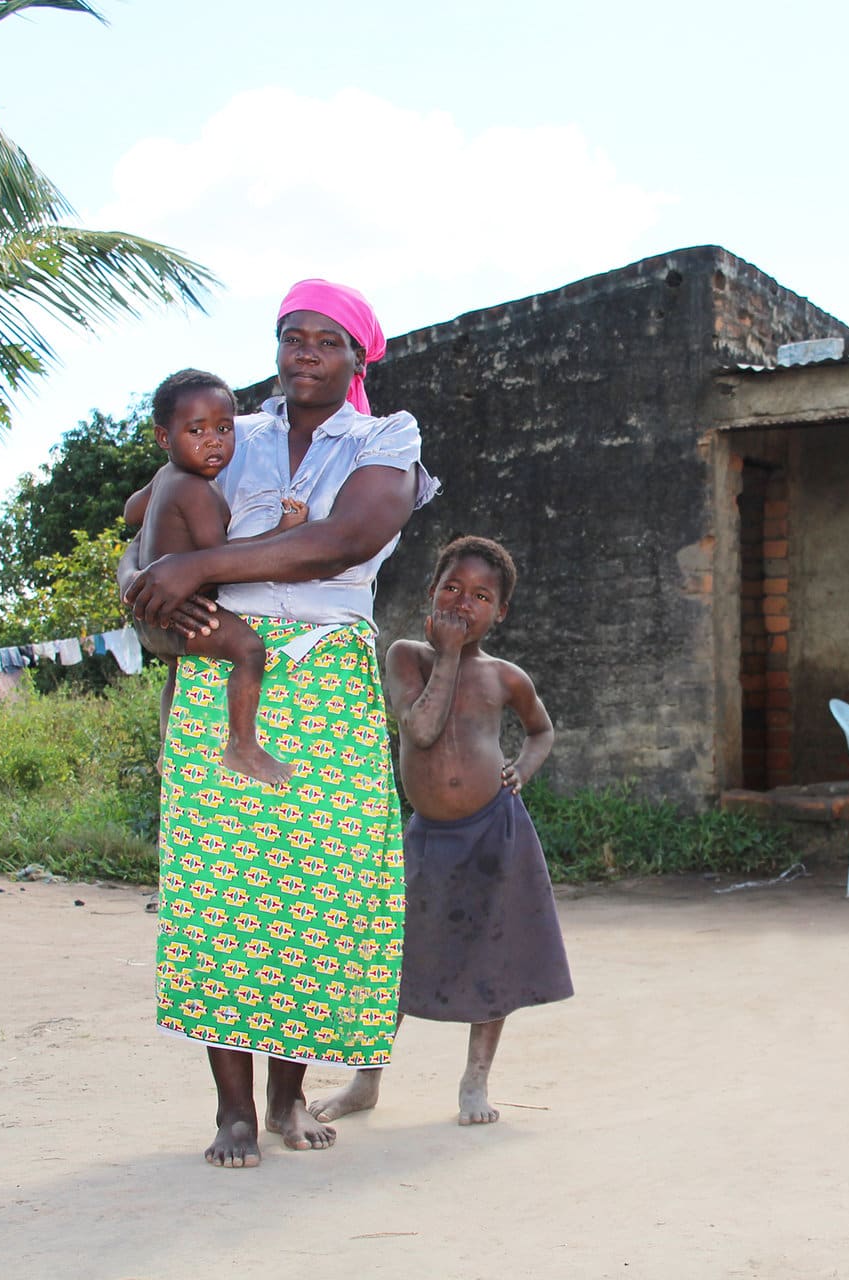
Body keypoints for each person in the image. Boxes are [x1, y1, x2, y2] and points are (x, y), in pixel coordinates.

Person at [122, 279, 438, 1168]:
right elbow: (142, 524)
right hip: (222, 666)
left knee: (309, 889)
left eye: (327, 340)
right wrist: (151, 587)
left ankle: (288, 1099)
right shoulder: (227, 432)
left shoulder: (387, 438)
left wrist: (200, 565)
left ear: (358, 357)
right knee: (224, 894)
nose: (305, 352)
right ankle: (231, 1110)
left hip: (328, 679)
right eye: (292, 336)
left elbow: (347, 537)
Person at [309, 535, 572, 1127]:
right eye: (451, 588)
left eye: (481, 596)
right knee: (393, 954)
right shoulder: (406, 656)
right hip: (428, 836)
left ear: (499, 613)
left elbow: (541, 732)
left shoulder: (507, 678)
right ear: (431, 591)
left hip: (495, 833)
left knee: (494, 954)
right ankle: (365, 1081)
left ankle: (475, 1081)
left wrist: (521, 771)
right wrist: (447, 655)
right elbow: (422, 729)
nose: (462, 603)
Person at [127, 368, 308, 786]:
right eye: (196, 431)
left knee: (177, 672)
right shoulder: (196, 490)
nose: (213, 441)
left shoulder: (165, 476)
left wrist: (157, 523)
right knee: (248, 649)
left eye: (224, 429)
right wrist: (281, 533)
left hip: (150, 618)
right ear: (163, 438)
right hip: (180, 615)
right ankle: (242, 744)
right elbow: (223, 559)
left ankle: (167, 749)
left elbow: (130, 512)